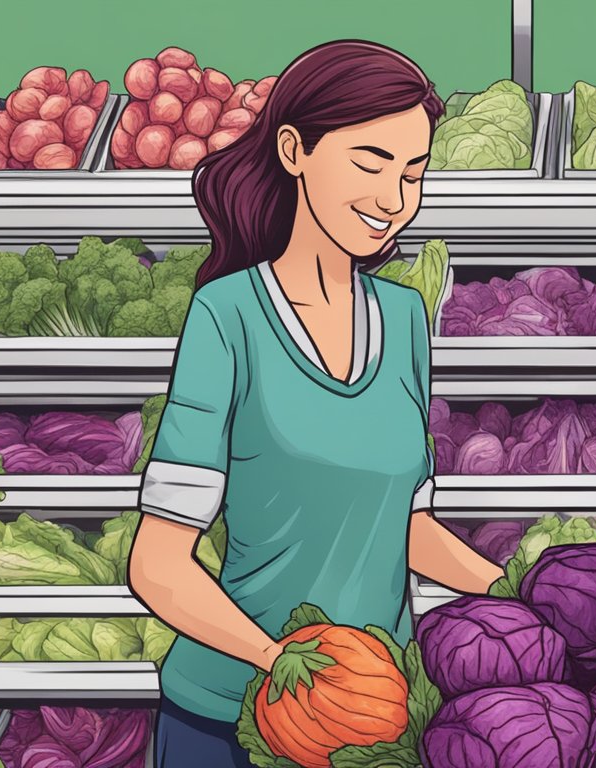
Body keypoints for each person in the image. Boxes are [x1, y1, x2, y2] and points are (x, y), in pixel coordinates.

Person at [127, 40, 504, 768]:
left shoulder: (403, 321)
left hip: (374, 720)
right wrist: (284, 666)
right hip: (229, 714)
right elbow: (157, 562)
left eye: (414, 173)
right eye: (371, 162)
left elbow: (405, 528)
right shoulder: (228, 317)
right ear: (295, 149)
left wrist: (515, 590)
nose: (395, 199)